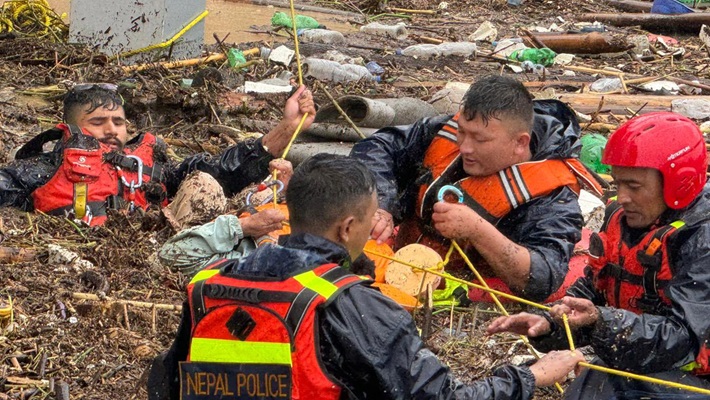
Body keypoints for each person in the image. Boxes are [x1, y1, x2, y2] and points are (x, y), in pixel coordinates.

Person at [148, 153, 584, 400]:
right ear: (348, 228)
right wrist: (532, 375)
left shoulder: (210, 283)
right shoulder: (353, 305)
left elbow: (164, 384)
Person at [487, 112, 710, 399]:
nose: (622, 196)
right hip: (651, 366)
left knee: (606, 379)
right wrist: (550, 323)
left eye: (634, 186)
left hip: (694, 377)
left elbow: (684, 339)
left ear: (679, 182)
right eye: (618, 183)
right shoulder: (622, 218)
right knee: (601, 376)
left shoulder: (702, 239)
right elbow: (592, 294)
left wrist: (599, 321)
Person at [350, 75, 601, 302]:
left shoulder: (554, 192)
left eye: (480, 140)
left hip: (476, 281)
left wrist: (478, 231)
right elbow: (377, 146)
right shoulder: (455, 130)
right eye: (462, 133)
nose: (465, 148)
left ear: (519, 143)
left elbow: (543, 278)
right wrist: (381, 205)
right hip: (401, 253)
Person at [0, 82, 314, 227]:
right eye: (97, 122)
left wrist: (286, 129)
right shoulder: (46, 167)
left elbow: (220, 170)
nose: (112, 130)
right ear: (71, 128)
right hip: (84, 255)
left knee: (204, 182)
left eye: (119, 122)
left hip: (164, 251)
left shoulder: (150, 167)